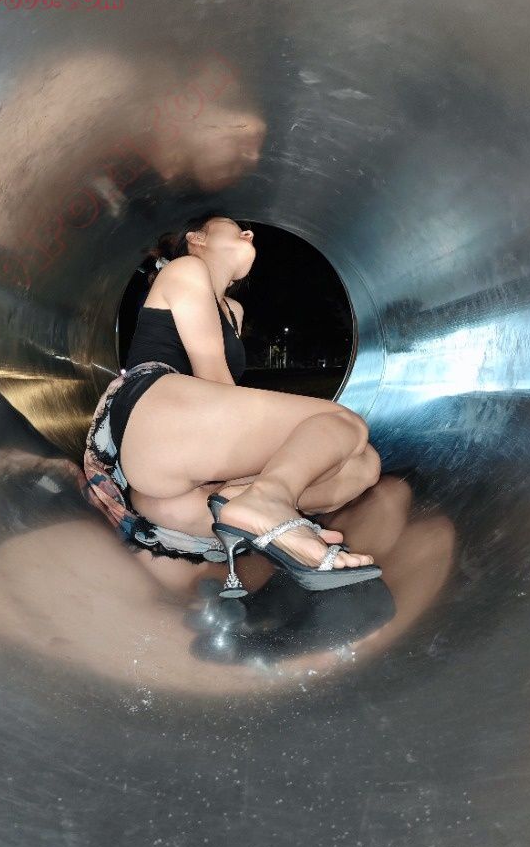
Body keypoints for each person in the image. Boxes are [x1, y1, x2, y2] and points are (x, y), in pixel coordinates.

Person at [83, 210, 383, 595]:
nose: (249, 233)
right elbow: (214, 379)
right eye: (234, 227)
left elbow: (229, 415)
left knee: (363, 465)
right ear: (197, 238)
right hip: (155, 423)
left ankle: (247, 504)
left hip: (175, 496)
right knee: (345, 423)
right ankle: (268, 499)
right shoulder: (185, 270)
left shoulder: (233, 311)